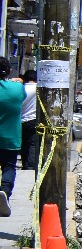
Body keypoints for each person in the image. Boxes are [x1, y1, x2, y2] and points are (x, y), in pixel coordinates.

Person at [0, 58, 25, 216]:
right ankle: (5, 192)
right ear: (9, 71)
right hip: (11, 137)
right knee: (9, 167)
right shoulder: (17, 89)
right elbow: (21, 90)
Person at [20, 69, 36, 169]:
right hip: (34, 120)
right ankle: (30, 166)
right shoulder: (39, 89)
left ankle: (24, 163)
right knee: (33, 144)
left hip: (21, 120)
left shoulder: (21, 89)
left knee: (24, 144)